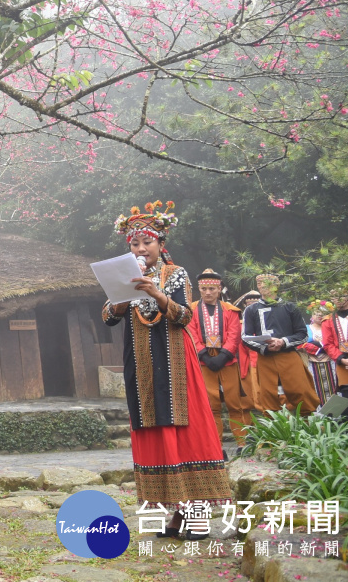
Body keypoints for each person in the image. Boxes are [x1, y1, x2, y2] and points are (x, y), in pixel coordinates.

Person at [102, 201, 232, 535]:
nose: (141, 248)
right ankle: (176, 514)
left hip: (175, 362)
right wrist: (121, 296)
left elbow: (185, 317)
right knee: (154, 433)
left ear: (161, 244)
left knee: (185, 434)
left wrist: (157, 294)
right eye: (135, 243)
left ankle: (198, 514)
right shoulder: (123, 276)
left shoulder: (175, 274)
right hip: (141, 364)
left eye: (147, 242)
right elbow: (108, 317)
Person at [186, 269, 251, 445]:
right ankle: (216, 446)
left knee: (234, 404)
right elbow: (191, 333)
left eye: (212, 289)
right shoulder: (190, 309)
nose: (208, 293)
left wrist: (224, 355)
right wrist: (205, 356)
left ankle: (242, 444)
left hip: (227, 360)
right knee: (211, 405)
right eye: (204, 289)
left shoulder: (231, 310)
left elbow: (234, 334)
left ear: (219, 289)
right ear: (199, 289)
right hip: (204, 361)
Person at [241, 274, 320, 414]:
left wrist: (283, 342)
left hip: (288, 356)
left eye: (268, 284)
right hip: (265, 359)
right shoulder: (251, 310)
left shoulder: (290, 307)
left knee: (302, 393)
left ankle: (308, 427)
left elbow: (303, 334)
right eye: (260, 284)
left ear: (276, 286)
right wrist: (265, 346)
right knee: (268, 397)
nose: (264, 287)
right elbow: (245, 337)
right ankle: (275, 433)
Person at [300, 299, 339, 404]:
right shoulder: (306, 328)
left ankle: (336, 416)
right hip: (312, 362)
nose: (319, 315)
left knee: (334, 385)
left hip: (331, 361)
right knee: (315, 387)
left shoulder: (332, 327)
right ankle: (318, 416)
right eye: (316, 313)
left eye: (323, 313)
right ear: (311, 315)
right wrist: (311, 347)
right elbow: (300, 343)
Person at [233, 289, 262, 411]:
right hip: (245, 360)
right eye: (250, 306)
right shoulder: (239, 323)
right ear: (245, 306)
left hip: (263, 358)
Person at [322, 293, 348, 387]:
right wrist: (341, 359)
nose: (337, 299)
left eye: (341, 296)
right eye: (334, 297)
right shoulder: (327, 320)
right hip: (343, 361)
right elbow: (328, 344)